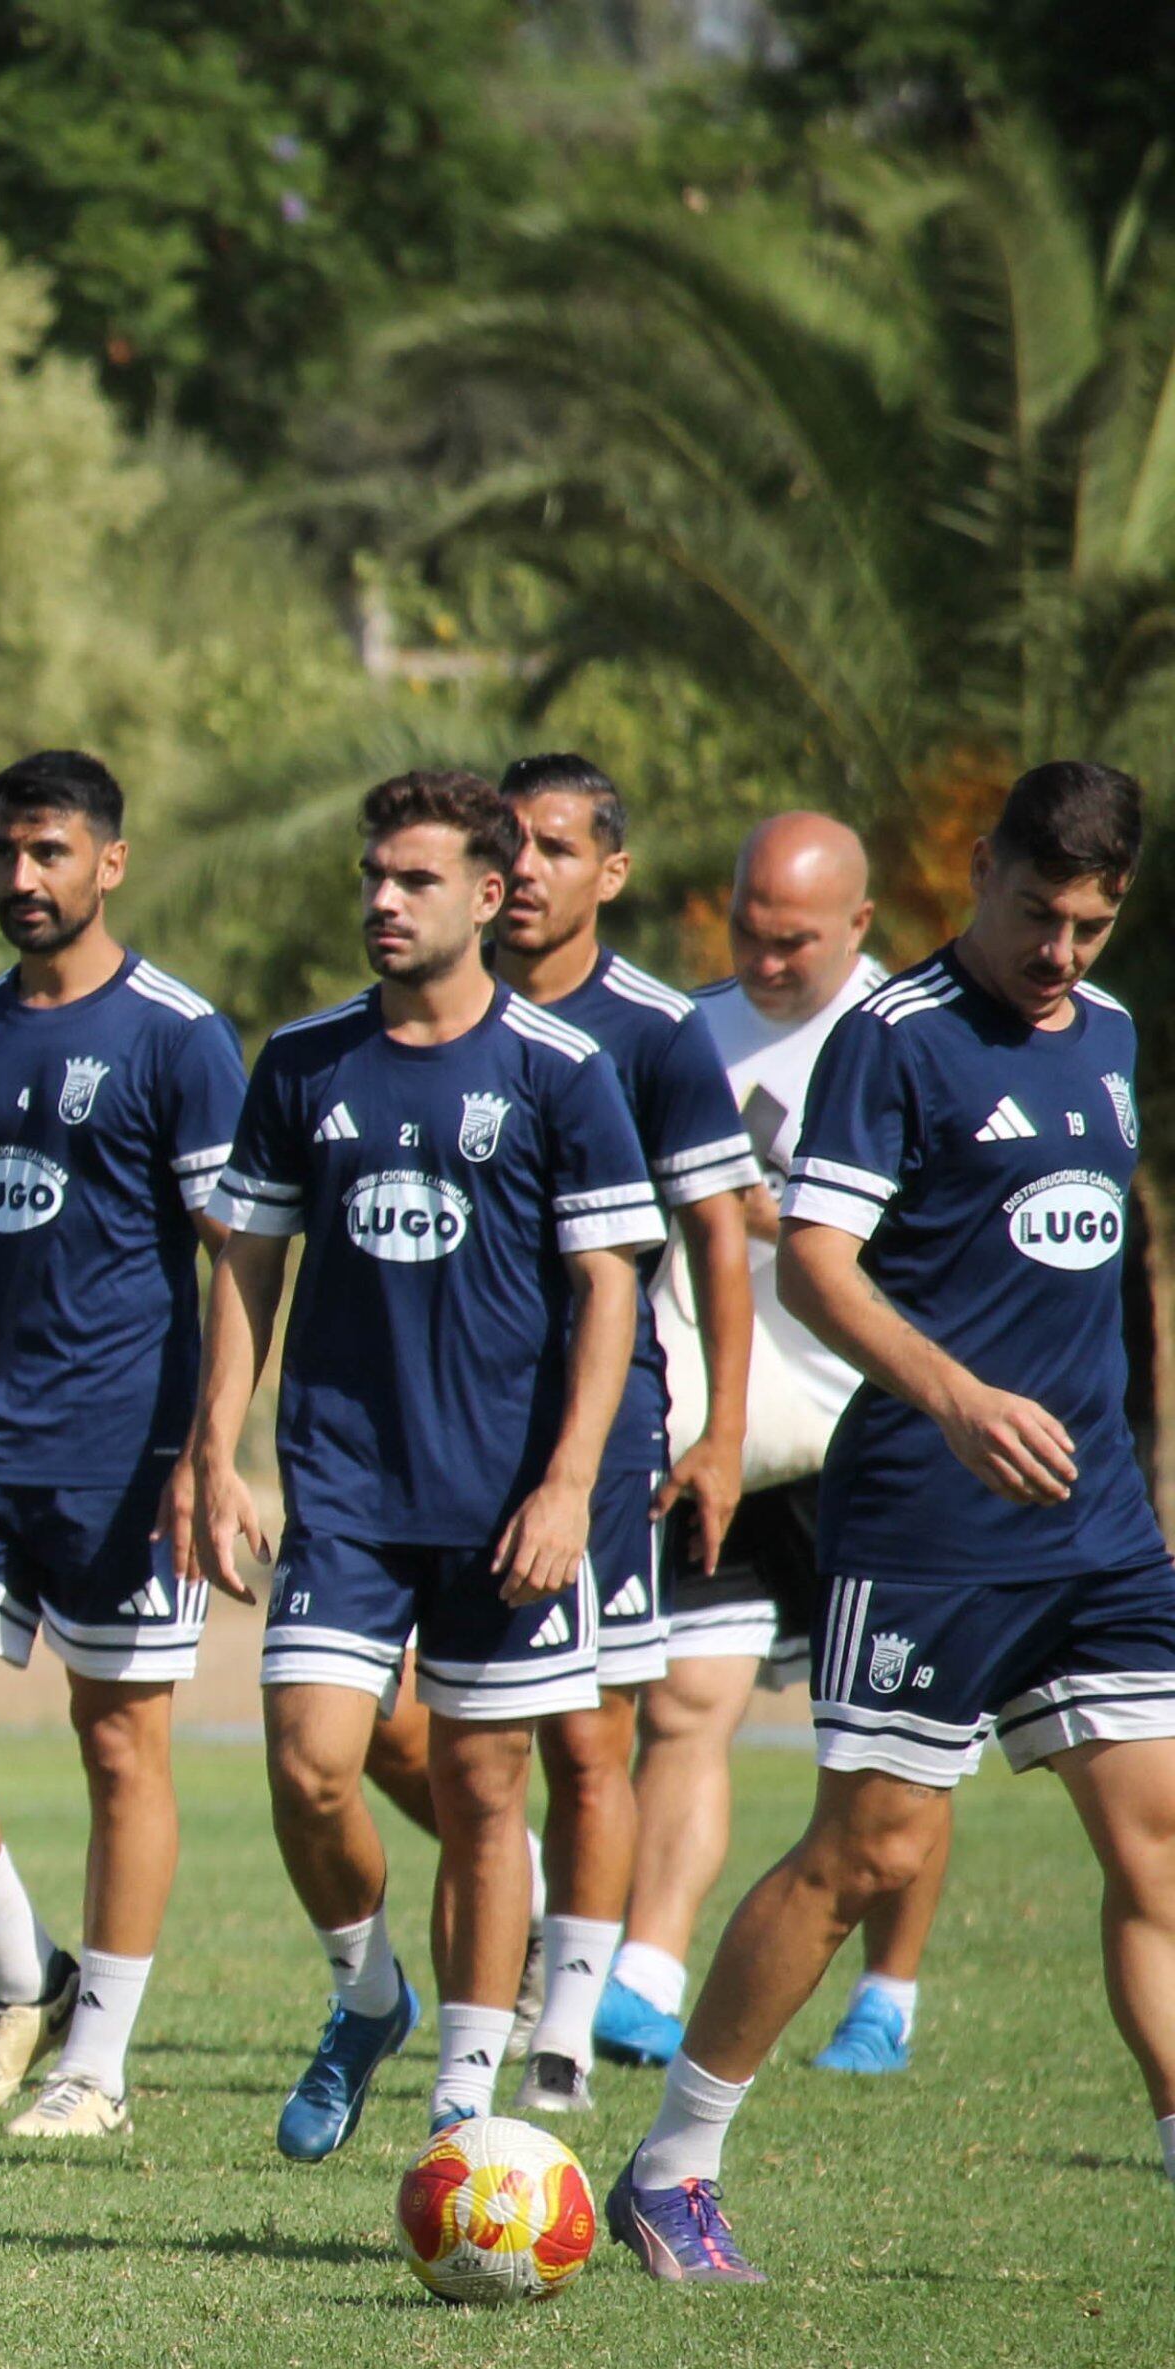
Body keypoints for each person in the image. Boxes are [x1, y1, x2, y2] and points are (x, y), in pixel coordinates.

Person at [612, 760, 1175, 2283]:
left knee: (1162, 1849)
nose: (1062, 953)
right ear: (979, 870)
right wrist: (957, 1398)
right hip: (931, 1512)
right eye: (1039, 914)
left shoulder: (1112, 1034)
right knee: (865, 1851)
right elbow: (815, 1260)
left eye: (1094, 924)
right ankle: (672, 2166)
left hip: (1098, 1520)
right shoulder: (891, 1040)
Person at [173, 768, 660, 2161]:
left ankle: (465, 2103)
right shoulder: (304, 1061)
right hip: (348, 1488)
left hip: (507, 1502)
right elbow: (249, 1261)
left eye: (418, 879)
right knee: (311, 1760)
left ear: (491, 896)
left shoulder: (561, 1074)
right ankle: (368, 1993)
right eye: (375, 877)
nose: (385, 901)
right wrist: (220, 1449)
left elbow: (611, 1290)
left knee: (484, 1791)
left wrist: (569, 1483)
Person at [0, 751, 245, 2137]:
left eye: (48, 853)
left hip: (124, 1452)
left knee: (120, 1749)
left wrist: (210, 1449)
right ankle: (21, 1972)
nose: (21, 880)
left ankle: (92, 2062)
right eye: (2, 853)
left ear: (109, 861)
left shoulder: (179, 1035)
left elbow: (242, 1259)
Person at [605, 811, 950, 2076]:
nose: (763, 954)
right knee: (684, 1698)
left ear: (858, 925)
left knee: (885, 1741)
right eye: (748, 924)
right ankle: (643, 1970)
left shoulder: (913, 1043)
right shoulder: (683, 1036)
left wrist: (775, 1211)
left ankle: (887, 1995)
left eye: (793, 936)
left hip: (878, 1431)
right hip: (726, 1433)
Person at [484, 755, 764, 2116]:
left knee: (588, 1739)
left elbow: (718, 1230)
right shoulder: (433, 1008)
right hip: (436, 1429)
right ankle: (523, 1929)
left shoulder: (654, 1029)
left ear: (612, 871)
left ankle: (564, 2036)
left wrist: (720, 1429)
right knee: (381, 1729)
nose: (524, 868)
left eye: (553, 845)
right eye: (507, 842)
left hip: (601, 1426)